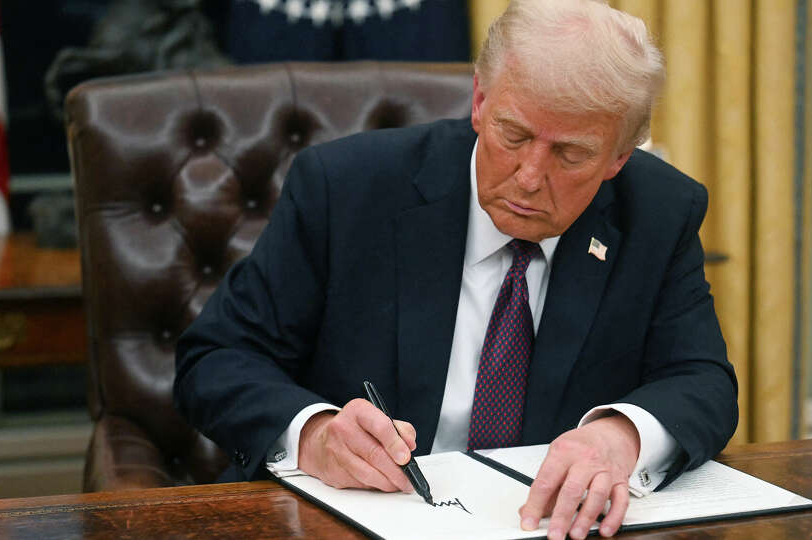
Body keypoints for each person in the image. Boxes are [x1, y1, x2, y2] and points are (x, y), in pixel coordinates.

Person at [174, 0, 738, 538]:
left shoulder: (659, 213)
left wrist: (621, 437)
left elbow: (703, 381)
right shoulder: (346, 189)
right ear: (479, 101)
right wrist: (315, 433)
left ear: (620, 155)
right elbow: (217, 358)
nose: (528, 176)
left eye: (570, 154)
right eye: (512, 134)